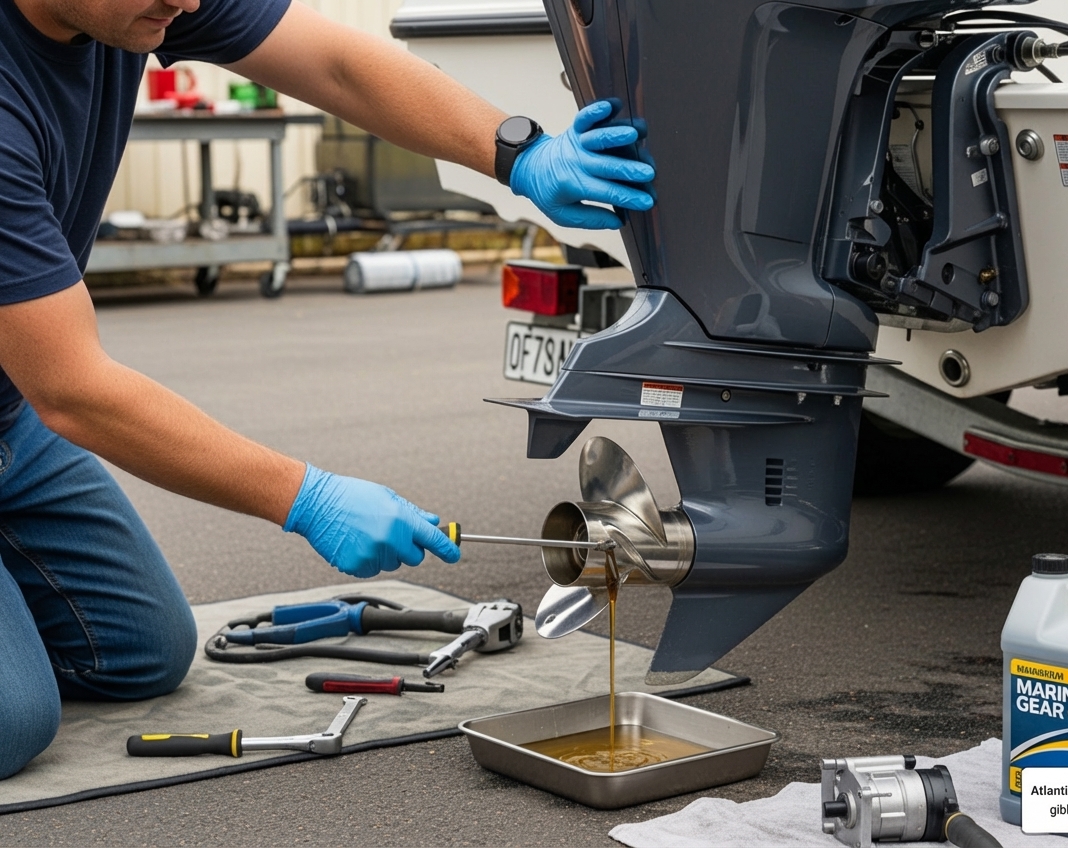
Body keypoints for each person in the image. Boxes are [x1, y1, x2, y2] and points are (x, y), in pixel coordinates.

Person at [0, 0, 655, 779]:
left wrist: (520, 154)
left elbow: (338, 66)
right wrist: (304, 496)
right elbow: (74, 390)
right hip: (42, 394)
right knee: (15, 721)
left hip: (11, 425)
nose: (189, 2)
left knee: (142, 654)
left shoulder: (147, 5)